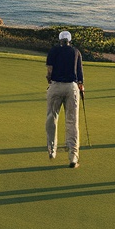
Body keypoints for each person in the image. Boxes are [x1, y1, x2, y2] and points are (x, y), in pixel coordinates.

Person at [44, 30, 84, 168]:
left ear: (60, 40)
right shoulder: (76, 52)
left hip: (55, 86)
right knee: (72, 121)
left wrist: (50, 83)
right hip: (71, 88)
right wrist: (81, 88)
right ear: (70, 40)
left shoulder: (53, 51)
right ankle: (73, 156)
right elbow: (80, 74)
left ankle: (52, 149)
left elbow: (49, 72)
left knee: (51, 117)